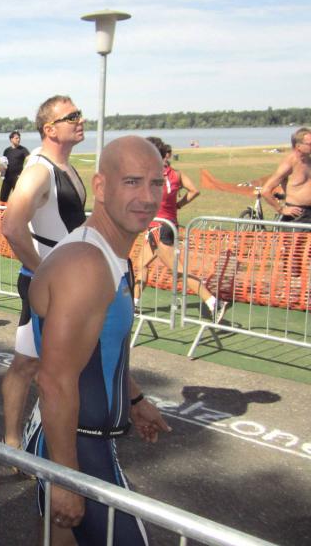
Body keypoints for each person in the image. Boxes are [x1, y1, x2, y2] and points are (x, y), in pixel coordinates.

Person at [28, 136, 171, 545]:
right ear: (101, 187)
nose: (148, 197)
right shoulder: (86, 264)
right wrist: (65, 479)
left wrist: (135, 400)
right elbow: (54, 380)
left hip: (79, 439)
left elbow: (97, 350)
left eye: (155, 183)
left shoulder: (111, 254)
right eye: (132, 182)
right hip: (75, 445)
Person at [0, 96, 87, 456]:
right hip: (47, 286)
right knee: (27, 364)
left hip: (69, 285)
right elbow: (11, 226)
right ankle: (12, 442)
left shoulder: (64, 166)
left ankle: (53, 438)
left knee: (60, 365)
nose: (81, 120)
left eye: (79, 113)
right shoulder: (39, 170)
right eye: (72, 116)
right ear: (50, 129)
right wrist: (43, 272)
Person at [134, 137, 228, 321]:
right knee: (142, 265)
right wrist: (178, 205)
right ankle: (133, 304)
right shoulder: (176, 174)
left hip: (159, 228)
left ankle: (213, 302)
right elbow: (194, 191)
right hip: (168, 225)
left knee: (178, 271)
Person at [261, 127, 311, 223]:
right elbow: (265, 190)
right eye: (310, 144)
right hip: (298, 215)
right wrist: (281, 209)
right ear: (298, 146)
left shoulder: (308, 160)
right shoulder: (290, 162)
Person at [0, 130, 30, 202]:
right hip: (7, 178)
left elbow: (30, 160)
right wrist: (2, 170)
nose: (18, 140)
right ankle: (3, 209)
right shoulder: (7, 150)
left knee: (18, 199)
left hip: (17, 178)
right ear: (11, 139)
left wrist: (25, 172)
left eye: (19, 138)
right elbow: (3, 163)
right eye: (16, 138)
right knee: (3, 198)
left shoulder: (23, 150)